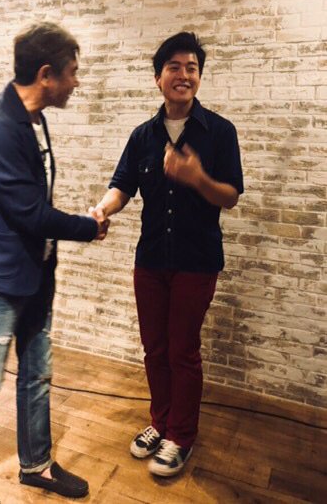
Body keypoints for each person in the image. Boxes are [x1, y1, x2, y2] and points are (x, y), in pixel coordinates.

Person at [0, 22, 108, 503]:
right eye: (72, 72)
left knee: (37, 374)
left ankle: (36, 463)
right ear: (46, 75)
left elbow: (33, 205)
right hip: (2, 278)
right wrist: (89, 226)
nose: (76, 81)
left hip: (36, 272)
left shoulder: (33, 118)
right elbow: (29, 212)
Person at [91, 32, 243, 478]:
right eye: (174, 67)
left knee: (183, 351)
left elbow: (231, 196)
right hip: (151, 259)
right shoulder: (143, 136)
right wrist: (102, 209)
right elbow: (122, 185)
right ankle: (160, 423)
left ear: (199, 77)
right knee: (155, 349)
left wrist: (197, 178)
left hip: (197, 261)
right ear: (158, 78)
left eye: (192, 67)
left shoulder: (220, 132)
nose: (184, 75)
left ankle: (182, 435)